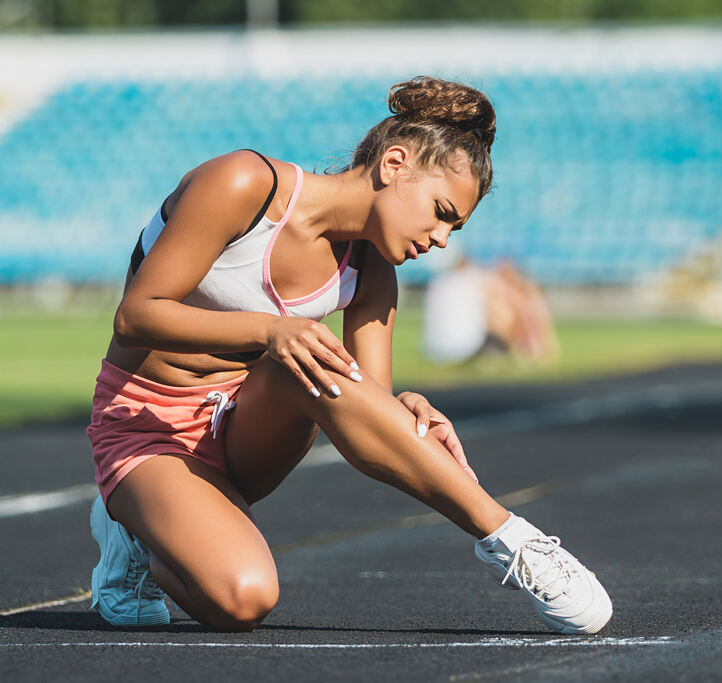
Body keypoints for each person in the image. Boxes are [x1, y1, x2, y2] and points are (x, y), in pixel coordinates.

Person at [86, 76, 612, 635]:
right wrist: (271, 330)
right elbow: (136, 315)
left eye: (454, 228)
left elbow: (363, 401)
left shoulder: (374, 274)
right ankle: (138, 525)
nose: (441, 239)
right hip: (146, 427)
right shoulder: (244, 183)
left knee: (316, 365)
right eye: (440, 211)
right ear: (393, 163)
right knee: (244, 601)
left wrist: (406, 406)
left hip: (246, 433)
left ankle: (514, 543)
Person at [423, 254, 560, 366]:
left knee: (501, 311)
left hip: (433, 350)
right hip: (466, 347)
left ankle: (522, 349)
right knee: (502, 313)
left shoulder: (439, 283)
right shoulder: (477, 281)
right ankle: (523, 350)